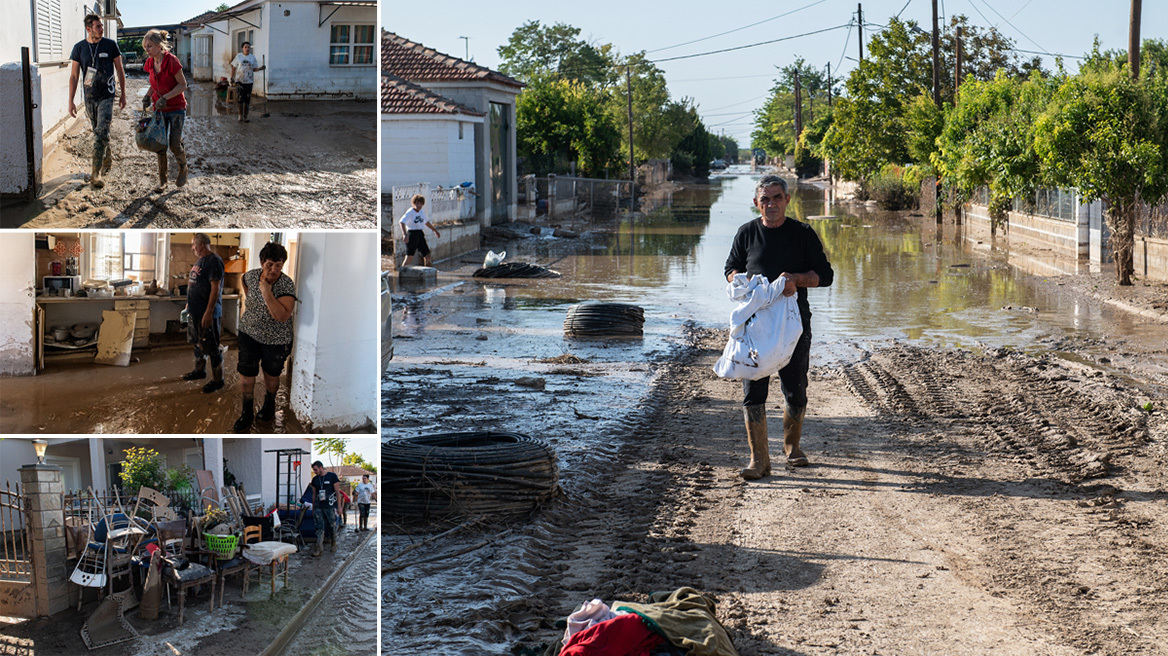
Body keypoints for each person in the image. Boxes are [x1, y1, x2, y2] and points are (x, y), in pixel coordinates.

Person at [724, 175, 834, 479]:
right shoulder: (746, 233)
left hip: (793, 324)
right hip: (755, 325)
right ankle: (758, 461)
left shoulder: (802, 234)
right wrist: (740, 282)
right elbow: (730, 268)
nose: (770, 204)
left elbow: (825, 276)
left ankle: (792, 448)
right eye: (764, 199)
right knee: (753, 389)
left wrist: (796, 280)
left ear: (787, 200)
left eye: (776, 198)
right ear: (756, 202)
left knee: (795, 389)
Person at [232, 242, 297, 433]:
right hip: (249, 334)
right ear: (262, 262)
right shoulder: (250, 276)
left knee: (271, 376)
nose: (274, 270)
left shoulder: (286, 284)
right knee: (246, 376)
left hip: (277, 340)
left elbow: (282, 316)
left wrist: (266, 292)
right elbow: (248, 295)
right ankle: (246, 412)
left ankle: (269, 403)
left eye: (279, 265)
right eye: (270, 264)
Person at [68, 14, 127, 189]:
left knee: (101, 132)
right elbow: (73, 75)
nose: (101, 29)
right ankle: (107, 156)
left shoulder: (110, 45)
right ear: (89, 29)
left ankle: (96, 173)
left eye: (102, 26)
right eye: (98, 26)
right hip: (89, 97)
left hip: (107, 95)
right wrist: (70, 101)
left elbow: (120, 69)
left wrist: (123, 93)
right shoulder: (79, 48)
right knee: (98, 133)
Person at [142, 29, 189, 192]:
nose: (146, 49)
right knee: (160, 144)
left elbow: (183, 85)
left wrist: (165, 97)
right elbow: (154, 84)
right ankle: (163, 181)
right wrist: (148, 96)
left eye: (149, 46)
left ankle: (183, 167)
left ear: (159, 45)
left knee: (174, 144)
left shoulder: (172, 61)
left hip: (176, 108)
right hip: (159, 109)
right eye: (145, 47)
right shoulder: (150, 63)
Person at [183, 233, 225, 393]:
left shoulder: (214, 261)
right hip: (196, 311)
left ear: (201, 245)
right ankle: (200, 371)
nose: (192, 247)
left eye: (194, 244)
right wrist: (190, 302)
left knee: (212, 346)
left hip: (207, 313)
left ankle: (218, 380)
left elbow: (215, 289)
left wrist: (209, 312)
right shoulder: (200, 260)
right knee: (198, 343)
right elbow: (196, 283)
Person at [308, 461, 340, 556]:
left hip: (329, 505)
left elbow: (338, 492)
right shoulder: (315, 480)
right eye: (313, 470)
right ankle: (319, 548)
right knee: (319, 527)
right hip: (318, 505)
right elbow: (314, 494)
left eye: (315, 469)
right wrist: (313, 507)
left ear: (321, 467)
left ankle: (333, 542)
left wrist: (339, 506)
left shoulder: (332, 476)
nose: (314, 471)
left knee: (332, 525)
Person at [399, 194, 441, 267]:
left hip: (420, 234)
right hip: (412, 234)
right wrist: (404, 234)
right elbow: (401, 222)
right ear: (414, 203)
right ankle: (402, 273)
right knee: (409, 256)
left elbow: (426, 222)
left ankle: (427, 273)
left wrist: (435, 230)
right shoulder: (410, 212)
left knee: (427, 256)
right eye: (417, 203)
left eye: (420, 203)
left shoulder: (421, 211)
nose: (419, 205)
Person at [229, 42, 266, 123]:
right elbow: (234, 68)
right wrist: (231, 77)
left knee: (247, 99)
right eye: (245, 47)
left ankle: (245, 116)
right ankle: (240, 115)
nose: (247, 48)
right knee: (240, 98)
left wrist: (260, 68)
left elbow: (254, 69)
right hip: (239, 81)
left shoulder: (252, 58)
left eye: (249, 47)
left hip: (249, 81)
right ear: (242, 48)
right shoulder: (238, 57)